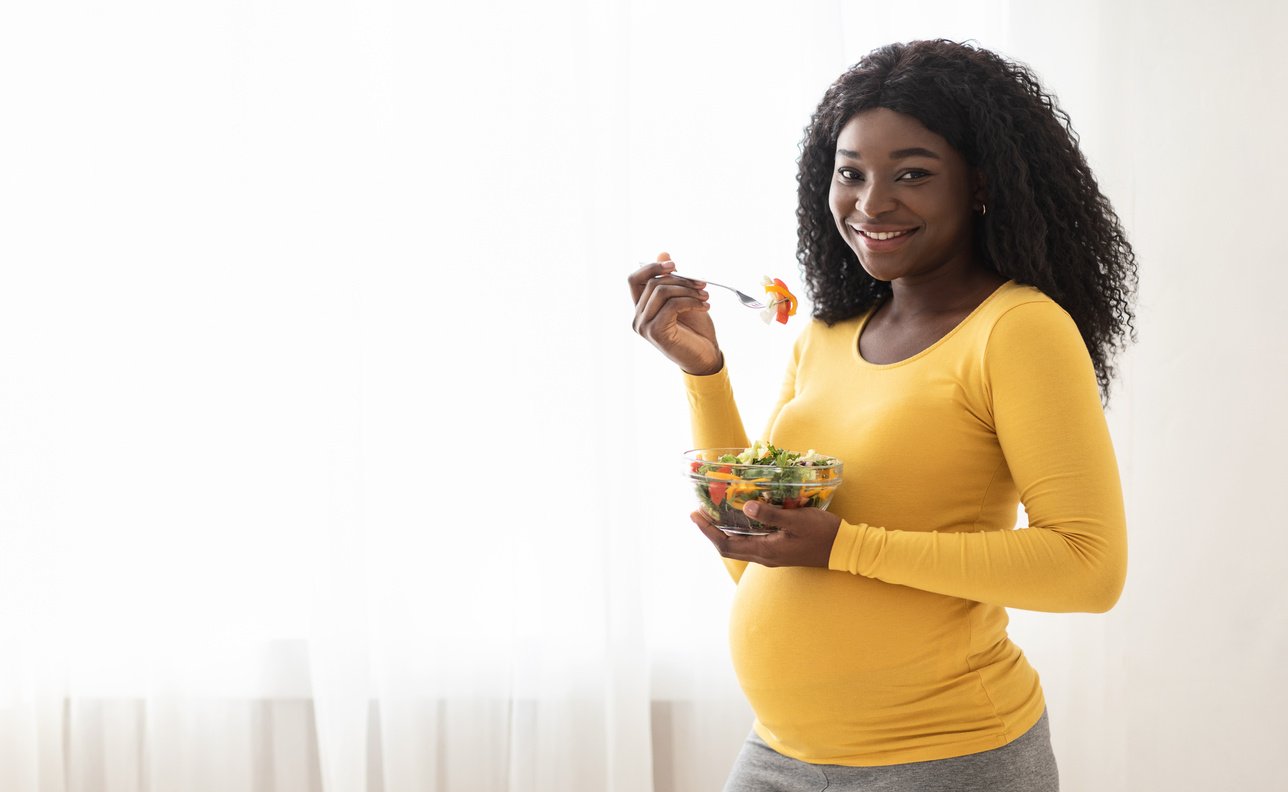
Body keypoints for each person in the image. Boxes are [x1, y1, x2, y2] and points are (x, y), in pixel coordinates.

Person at [627, 39, 1137, 791]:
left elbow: (1089, 570)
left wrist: (846, 545)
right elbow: (756, 555)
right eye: (851, 173)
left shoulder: (1018, 330)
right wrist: (706, 374)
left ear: (982, 185)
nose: (871, 204)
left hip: (948, 759)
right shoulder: (827, 334)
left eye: (913, 175)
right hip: (779, 756)